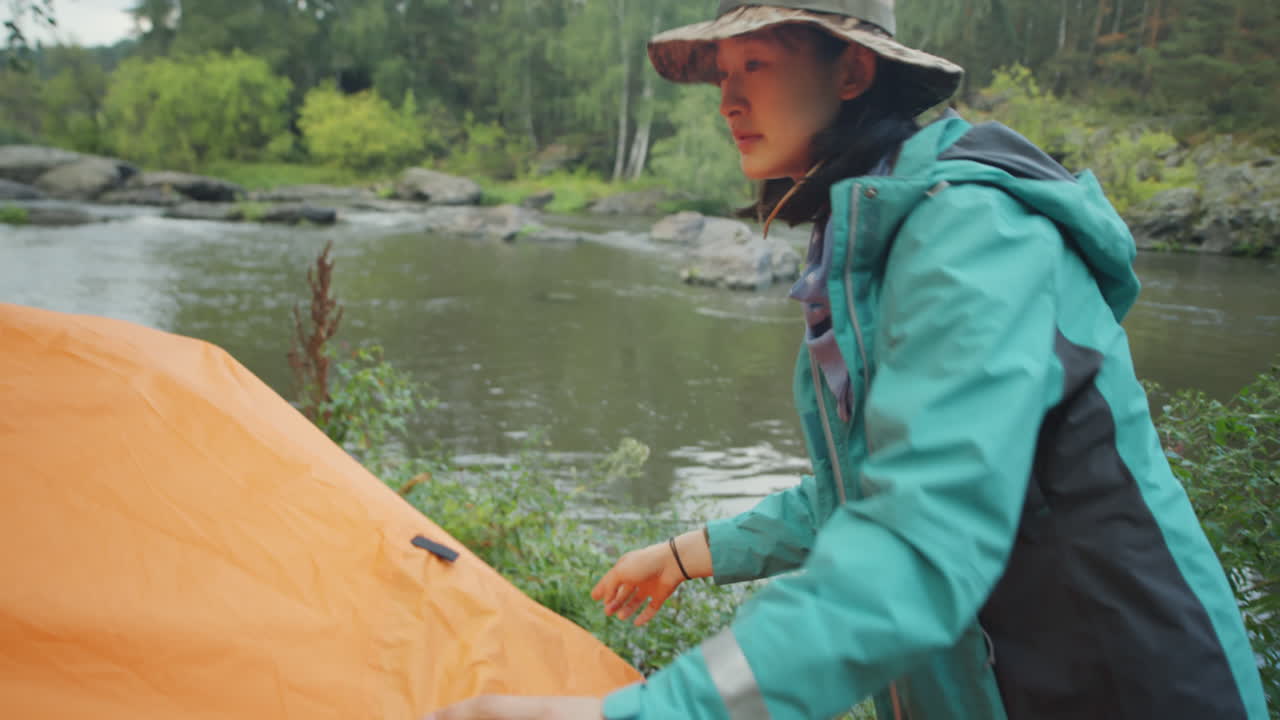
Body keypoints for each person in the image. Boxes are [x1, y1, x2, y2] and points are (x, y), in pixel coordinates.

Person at [428, 2, 1269, 718]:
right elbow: (871, 485)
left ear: (854, 74)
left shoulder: (977, 235)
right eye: (720, 72)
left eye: (754, 62)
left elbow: (916, 541)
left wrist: (655, 709)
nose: (728, 99)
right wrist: (692, 552)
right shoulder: (874, 235)